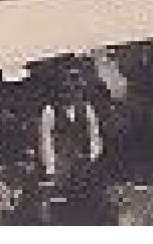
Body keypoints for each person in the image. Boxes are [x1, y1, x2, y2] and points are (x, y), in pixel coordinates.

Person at [37, 67, 106, 224]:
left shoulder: (86, 108)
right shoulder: (50, 111)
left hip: (83, 160)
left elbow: (94, 133)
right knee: (63, 197)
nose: (70, 93)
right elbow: (45, 141)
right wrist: (51, 168)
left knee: (88, 194)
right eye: (65, 89)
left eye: (74, 89)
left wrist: (93, 155)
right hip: (62, 162)